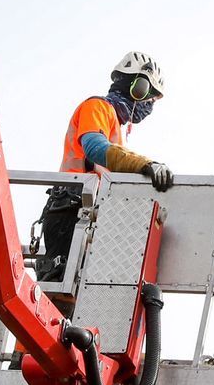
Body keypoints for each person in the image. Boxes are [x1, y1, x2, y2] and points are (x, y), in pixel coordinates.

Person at [37, 52, 172, 289]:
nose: (145, 104)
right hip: (69, 209)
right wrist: (144, 165)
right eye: (144, 92)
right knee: (61, 292)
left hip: (88, 214)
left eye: (151, 100)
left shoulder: (118, 131)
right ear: (130, 85)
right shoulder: (98, 107)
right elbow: (94, 147)